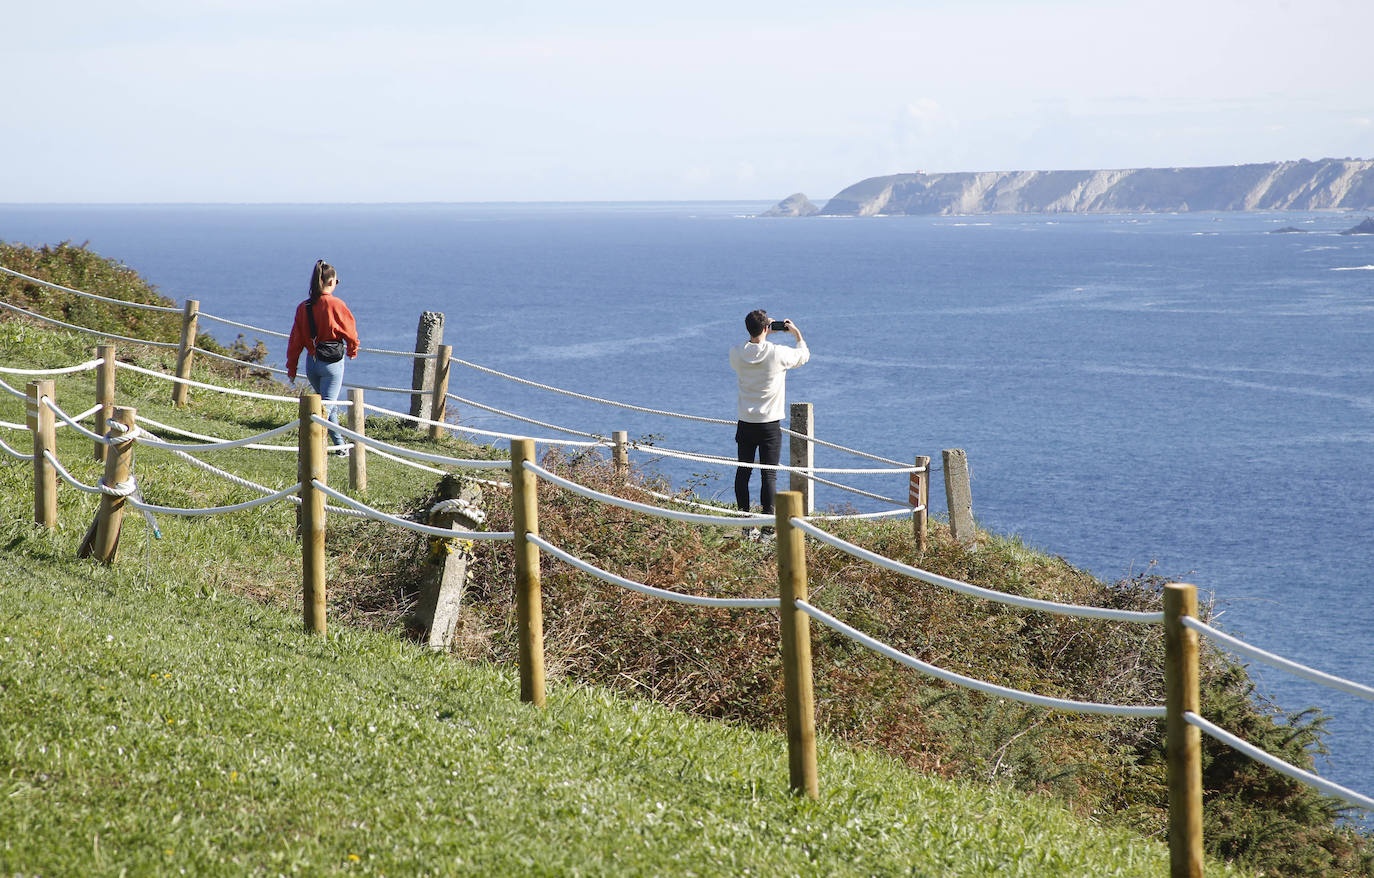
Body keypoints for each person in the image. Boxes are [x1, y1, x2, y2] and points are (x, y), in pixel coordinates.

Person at [729, 309, 808, 519]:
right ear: (766, 328)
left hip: (745, 422)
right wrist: (796, 334)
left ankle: (744, 522)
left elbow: (749, 350)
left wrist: (761, 335)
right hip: (769, 425)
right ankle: (766, 525)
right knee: (769, 475)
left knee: (743, 472)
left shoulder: (736, 352)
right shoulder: (777, 353)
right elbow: (803, 356)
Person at [286, 260, 359, 449]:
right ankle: (331, 447)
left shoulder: (303, 307)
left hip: (312, 362)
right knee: (327, 407)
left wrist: (292, 367)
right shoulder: (337, 304)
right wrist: (352, 349)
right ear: (331, 281)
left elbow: (295, 340)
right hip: (332, 363)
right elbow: (350, 331)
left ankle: (337, 444)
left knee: (325, 403)